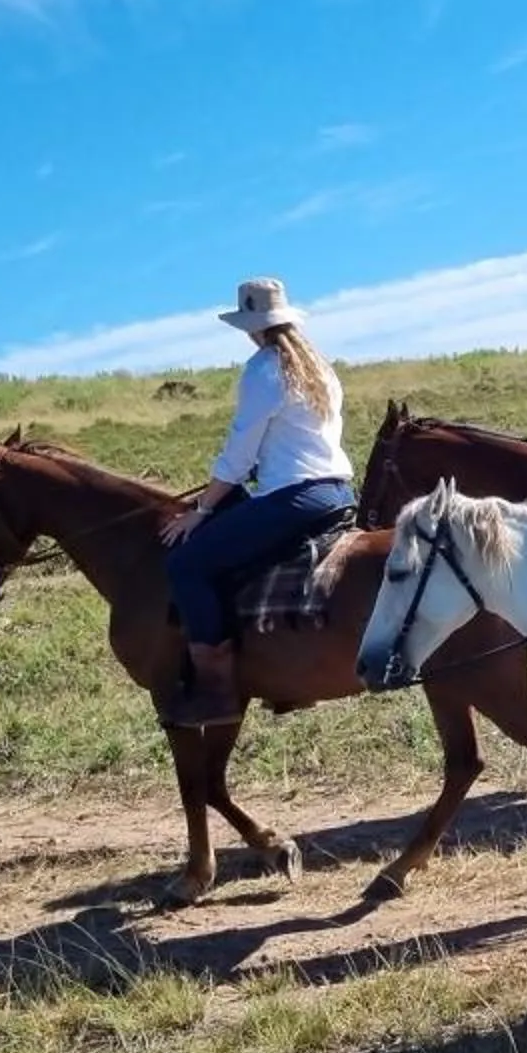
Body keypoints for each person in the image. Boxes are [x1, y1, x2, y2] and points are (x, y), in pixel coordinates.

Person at [156, 277, 354, 726]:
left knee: (186, 566)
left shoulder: (264, 369)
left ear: (252, 326)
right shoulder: (319, 367)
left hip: (293, 497)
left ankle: (216, 691)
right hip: (335, 492)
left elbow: (240, 453)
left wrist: (202, 510)